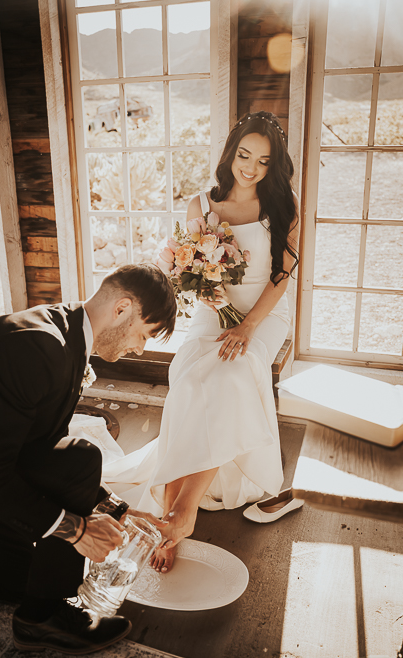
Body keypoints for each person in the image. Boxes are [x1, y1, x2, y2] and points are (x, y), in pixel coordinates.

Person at [102, 111, 302, 573]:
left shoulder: (285, 204)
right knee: (189, 379)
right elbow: (192, 274)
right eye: (244, 155)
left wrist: (248, 327)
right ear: (230, 153)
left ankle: (181, 512)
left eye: (264, 161)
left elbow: (281, 277)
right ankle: (170, 510)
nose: (250, 168)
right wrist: (205, 288)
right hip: (214, 313)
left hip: (264, 314)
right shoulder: (201, 206)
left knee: (232, 372)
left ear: (275, 166)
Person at [0, 264, 176, 654]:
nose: (140, 349)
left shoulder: (67, 336)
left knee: (22, 580)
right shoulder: (36, 346)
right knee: (81, 457)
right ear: (122, 309)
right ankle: (39, 620)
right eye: (143, 334)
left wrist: (117, 509)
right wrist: (76, 530)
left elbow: (41, 446)